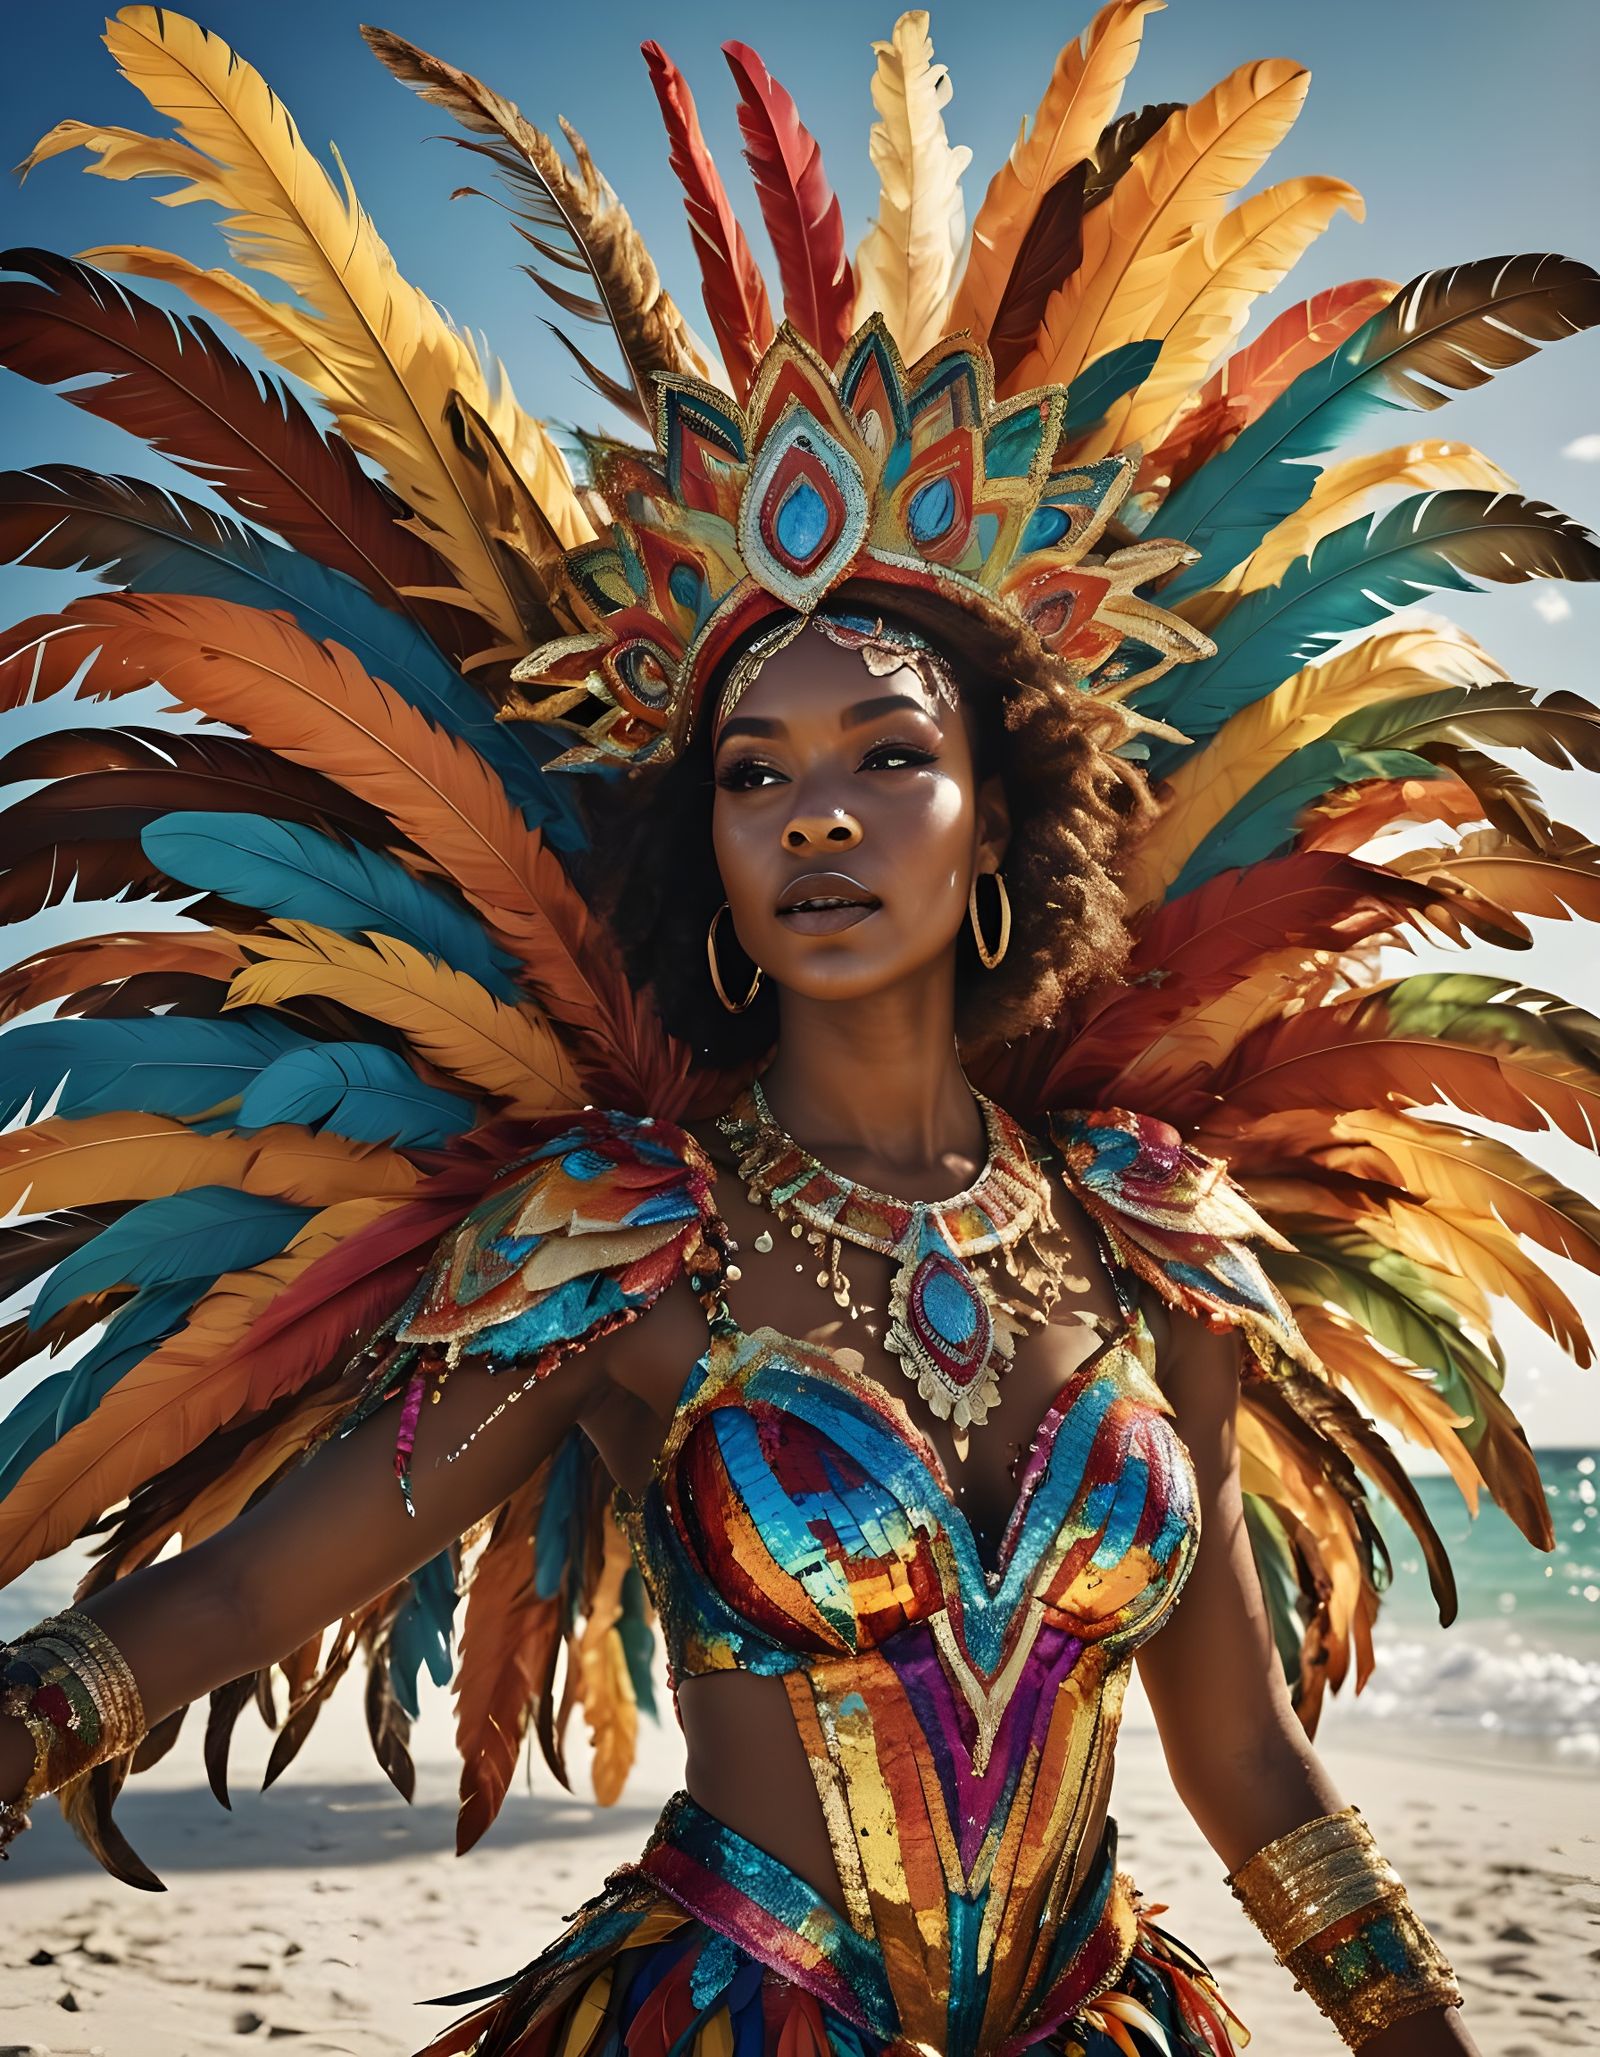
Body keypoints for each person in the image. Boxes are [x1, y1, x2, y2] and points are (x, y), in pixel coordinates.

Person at [1, 5, 1596, 2053]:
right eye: (752, 774)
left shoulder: (1153, 1237)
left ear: (997, 820)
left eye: (882, 757)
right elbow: (231, 1599)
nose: (816, 811)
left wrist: (1421, 2040)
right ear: (708, 854)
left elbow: (1243, 1754)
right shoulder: (614, 1241)